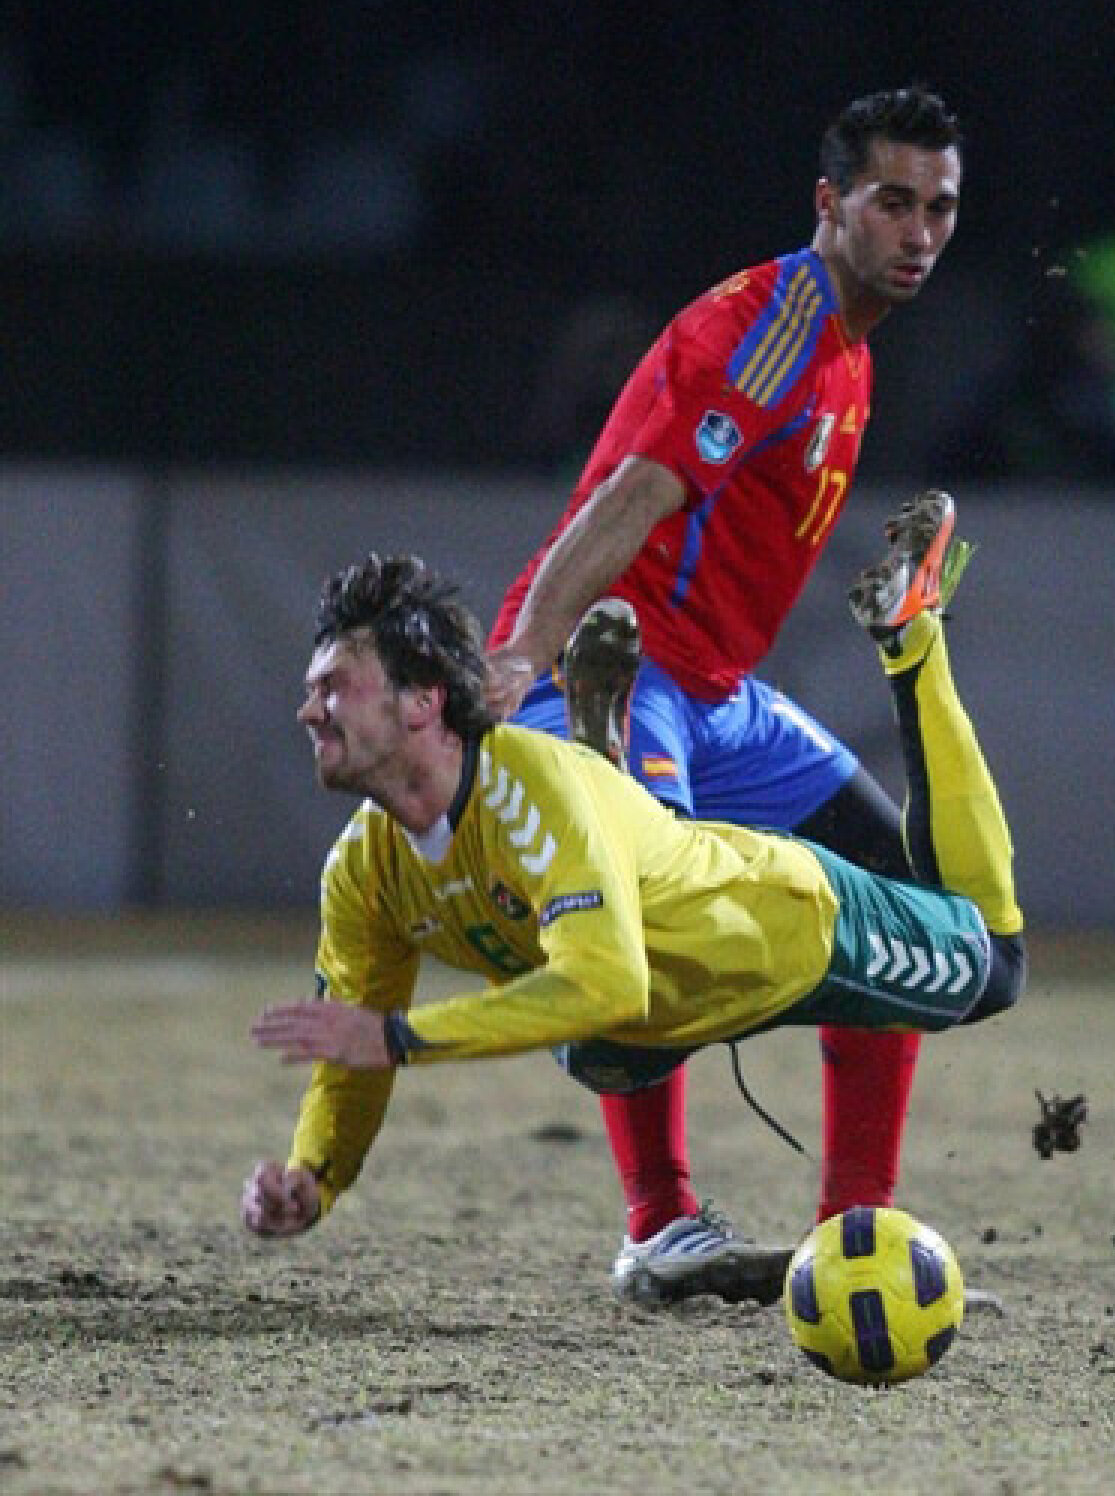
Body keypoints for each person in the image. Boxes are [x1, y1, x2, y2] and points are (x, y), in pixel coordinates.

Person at [242, 495, 1027, 1276]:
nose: (309, 709)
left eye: (335, 686)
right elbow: (351, 1038)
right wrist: (316, 1174)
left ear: (423, 700)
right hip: (631, 1025)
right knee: (598, 1041)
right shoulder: (361, 871)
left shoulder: (529, 790)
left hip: (785, 932)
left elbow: (592, 985)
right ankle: (616, 781)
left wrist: (403, 1039)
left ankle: (911, 641)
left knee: (995, 964)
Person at [483, 87, 964, 1303]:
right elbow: (633, 500)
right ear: (829, 205)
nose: (919, 231)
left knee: (906, 895)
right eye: (892, 202)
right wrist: (524, 658)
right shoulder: (772, 330)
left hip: (715, 691)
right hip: (618, 670)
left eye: (940, 208)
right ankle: (657, 1226)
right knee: (649, 925)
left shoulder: (848, 355)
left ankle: (857, 1237)